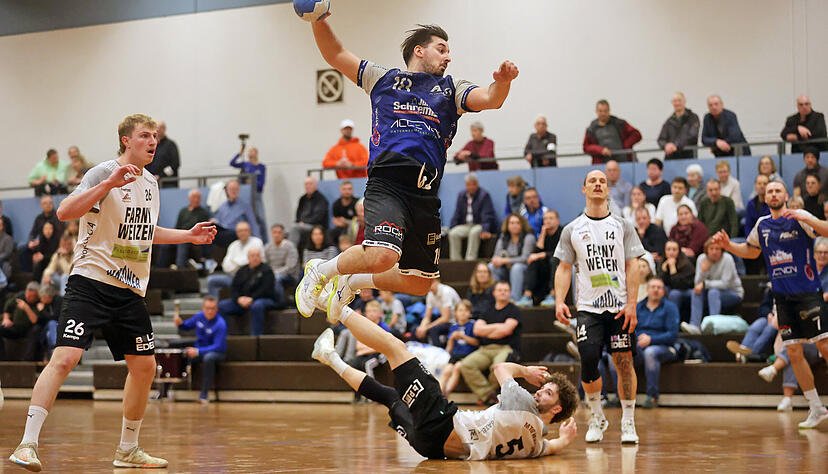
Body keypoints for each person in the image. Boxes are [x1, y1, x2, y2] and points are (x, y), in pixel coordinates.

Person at [8, 114, 216, 471]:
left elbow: (143, 231)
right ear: (125, 141)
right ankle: (26, 444)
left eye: (155, 136)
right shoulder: (101, 173)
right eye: (144, 136)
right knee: (66, 358)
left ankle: (128, 449)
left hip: (129, 289)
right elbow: (64, 212)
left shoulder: (151, 182)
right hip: (90, 281)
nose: (152, 142)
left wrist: (187, 236)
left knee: (145, 367)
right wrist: (108, 185)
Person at [297, 20, 519, 324]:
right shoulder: (383, 79)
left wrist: (503, 82)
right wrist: (318, 19)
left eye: (448, 52)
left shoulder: (451, 88)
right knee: (383, 255)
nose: (448, 57)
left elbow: (492, 98)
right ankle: (320, 271)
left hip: (425, 194)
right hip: (388, 182)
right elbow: (335, 54)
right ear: (419, 50)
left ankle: (352, 282)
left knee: (420, 282)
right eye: (441, 49)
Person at [310, 309, 577, 460]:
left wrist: (525, 371)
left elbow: (500, 368)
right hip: (431, 448)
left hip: (442, 423)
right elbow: (550, 447)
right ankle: (329, 357)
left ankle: (338, 308)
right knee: (391, 398)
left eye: (549, 392)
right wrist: (564, 441)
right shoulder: (534, 444)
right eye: (545, 386)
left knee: (396, 348)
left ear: (555, 409)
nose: (540, 390)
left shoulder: (523, 402)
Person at [711, 179, 828, 429]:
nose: (773, 194)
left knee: (825, 346)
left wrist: (809, 219)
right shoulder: (761, 224)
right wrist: (728, 245)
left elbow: (825, 232)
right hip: (783, 299)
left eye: (778, 190)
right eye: (770, 191)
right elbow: (752, 252)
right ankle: (816, 407)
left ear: (785, 194)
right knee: (794, 353)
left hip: (808, 292)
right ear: (764, 197)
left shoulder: (799, 217)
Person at [554, 168, 645, 444]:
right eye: (592, 181)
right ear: (584, 189)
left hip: (619, 307)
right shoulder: (572, 229)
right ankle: (597, 416)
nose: (597, 184)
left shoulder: (623, 226)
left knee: (624, 362)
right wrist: (559, 300)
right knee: (589, 360)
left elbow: (634, 266)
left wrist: (632, 303)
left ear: (607, 190)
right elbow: (564, 268)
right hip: (588, 308)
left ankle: (628, 422)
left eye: (602, 181)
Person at [608, 277, 679, 408]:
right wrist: (636, 339)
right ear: (647, 290)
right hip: (639, 346)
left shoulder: (670, 308)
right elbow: (629, 328)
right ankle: (620, 397)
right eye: (653, 287)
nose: (656, 290)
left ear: (663, 291)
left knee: (650, 353)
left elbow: (673, 335)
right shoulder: (638, 307)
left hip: (665, 347)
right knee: (618, 354)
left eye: (659, 288)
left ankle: (652, 397)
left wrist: (651, 339)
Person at [460, 281, 521, 404]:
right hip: (485, 349)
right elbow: (477, 330)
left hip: (504, 347)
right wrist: (498, 327)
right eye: (500, 290)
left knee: (498, 367)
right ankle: (488, 394)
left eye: (506, 290)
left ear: (509, 293)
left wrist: (487, 329)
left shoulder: (514, 310)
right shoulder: (487, 310)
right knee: (466, 365)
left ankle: (488, 395)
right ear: (494, 293)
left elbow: (506, 330)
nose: (503, 292)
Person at [173, 296, 227, 403]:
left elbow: (218, 346)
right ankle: (166, 390)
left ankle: (204, 394)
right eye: (207, 308)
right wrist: (180, 323)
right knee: (179, 353)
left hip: (217, 353)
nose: (210, 311)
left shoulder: (220, 324)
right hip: (200, 349)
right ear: (203, 308)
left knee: (209, 358)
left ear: (216, 309)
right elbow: (186, 327)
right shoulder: (199, 316)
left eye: (212, 308)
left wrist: (198, 351)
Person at [683, 238, 743, 334]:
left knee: (713, 292)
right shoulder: (701, 259)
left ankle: (713, 324)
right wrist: (703, 271)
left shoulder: (727, 259)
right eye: (711, 249)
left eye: (717, 249)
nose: (714, 252)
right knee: (696, 292)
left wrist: (705, 284)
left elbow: (725, 284)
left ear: (722, 250)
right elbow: (697, 284)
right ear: (707, 250)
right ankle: (695, 325)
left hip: (732, 293)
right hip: (710, 293)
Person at [218, 247, 277, 336]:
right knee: (221, 306)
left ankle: (256, 337)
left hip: (263, 299)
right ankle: (225, 336)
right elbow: (234, 288)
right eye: (252, 256)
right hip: (243, 300)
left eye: (257, 255)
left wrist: (252, 298)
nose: (255, 258)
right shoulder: (242, 270)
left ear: (261, 257)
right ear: (248, 258)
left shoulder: (267, 270)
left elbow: (266, 289)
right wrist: (238, 299)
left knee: (257, 306)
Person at [206, 221, 264, 297]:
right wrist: (239, 264)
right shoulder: (233, 245)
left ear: (250, 231)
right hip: (233, 277)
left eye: (245, 230)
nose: (242, 233)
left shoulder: (257, 242)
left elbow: (251, 263)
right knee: (211, 280)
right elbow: (226, 265)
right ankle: (213, 306)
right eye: (240, 231)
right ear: (236, 233)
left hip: (251, 277)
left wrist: (235, 262)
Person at [448, 173, 497, 261]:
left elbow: (487, 214)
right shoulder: (461, 195)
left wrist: (486, 230)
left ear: (477, 184)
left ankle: (470, 260)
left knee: (474, 232)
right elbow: (457, 213)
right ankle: (456, 261)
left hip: (479, 224)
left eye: (473, 184)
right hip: (466, 225)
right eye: (468, 185)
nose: (471, 187)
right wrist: (451, 227)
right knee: (453, 233)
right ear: (465, 185)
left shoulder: (484, 195)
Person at [159, 188, 211, 269]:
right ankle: (159, 268)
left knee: (183, 242)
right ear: (189, 198)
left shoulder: (203, 213)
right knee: (164, 244)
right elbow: (177, 226)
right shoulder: (183, 211)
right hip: (179, 233)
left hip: (192, 236)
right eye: (194, 197)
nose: (196, 199)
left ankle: (180, 268)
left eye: (198, 197)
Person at [491, 214, 535, 304]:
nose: (514, 225)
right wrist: (496, 260)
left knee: (517, 267)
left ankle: (514, 298)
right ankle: (497, 296)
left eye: (517, 223)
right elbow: (495, 256)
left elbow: (525, 258)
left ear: (522, 225)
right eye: (511, 223)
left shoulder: (528, 237)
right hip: (506, 270)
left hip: (525, 271)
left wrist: (505, 260)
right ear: (507, 225)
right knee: (491, 266)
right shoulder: (503, 238)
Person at [522, 210, 562, 307]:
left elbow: (560, 252)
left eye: (551, 218)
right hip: (545, 266)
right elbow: (537, 252)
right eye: (545, 219)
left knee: (554, 260)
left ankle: (553, 296)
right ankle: (527, 297)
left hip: (559, 263)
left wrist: (542, 254)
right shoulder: (544, 234)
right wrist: (543, 233)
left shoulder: (563, 232)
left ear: (558, 221)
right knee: (533, 261)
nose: (547, 221)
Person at [583, 100, 642, 164]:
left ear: (609, 111)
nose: (603, 113)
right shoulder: (591, 129)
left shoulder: (620, 123)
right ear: (596, 111)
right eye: (600, 111)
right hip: (602, 163)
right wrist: (600, 150)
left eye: (605, 111)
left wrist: (624, 146)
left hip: (624, 160)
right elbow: (586, 147)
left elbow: (636, 135)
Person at [439, 300, 478, 395]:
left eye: (465, 310)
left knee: (457, 368)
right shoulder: (453, 327)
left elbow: (476, 342)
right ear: (455, 313)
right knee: (446, 371)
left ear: (470, 313)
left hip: (468, 355)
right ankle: (439, 394)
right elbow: (449, 348)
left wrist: (463, 336)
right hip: (456, 355)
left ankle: (446, 393)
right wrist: (451, 339)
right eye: (460, 310)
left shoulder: (473, 325)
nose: (463, 313)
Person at [210, 179, 261, 247]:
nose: (233, 191)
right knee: (208, 231)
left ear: (239, 190)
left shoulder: (245, 206)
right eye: (231, 189)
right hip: (223, 232)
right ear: (227, 190)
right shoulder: (223, 206)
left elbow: (253, 223)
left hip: (235, 233)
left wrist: (257, 239)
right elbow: (218, 221)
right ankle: (206, 257)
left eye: (235, 189)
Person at [229, 145, 267, 236]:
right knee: (248, 217)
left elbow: (261, 183)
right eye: (248, 151)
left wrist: (253, 182)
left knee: (260, 218)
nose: (249, 153)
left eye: (252, 151)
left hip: (257, 194)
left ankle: (264, 239)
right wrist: (240, 153)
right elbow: (232, 163)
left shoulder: (261, 167)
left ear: (256, 153)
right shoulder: (245, 165)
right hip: (246, 194)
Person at [21, 196, 63, 273]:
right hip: (41, 243)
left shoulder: (58, 217)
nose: (48, 205)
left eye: (50, 203)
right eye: (45, 203)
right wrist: (31, 241)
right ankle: (26, 275)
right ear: (41, 206)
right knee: (23, 249)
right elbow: (33, 233)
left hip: (54, 243)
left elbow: (61, 235)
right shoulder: (39, 218)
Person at [0, 282, 41, 361]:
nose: (27, 297)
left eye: (31, 296)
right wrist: (6, 319)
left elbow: (34, 320)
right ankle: (2, 360)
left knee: (36, 330)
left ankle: (27, 361)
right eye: (27, 294)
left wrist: (26, 308)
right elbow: (7, 307)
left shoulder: (39, 303)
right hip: (15, 328)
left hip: (29, 330)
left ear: (36, 296)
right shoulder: (20, 296)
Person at [415, 278, 461, 347]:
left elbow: (445, 318)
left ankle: (439, 353)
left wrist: (427, 327)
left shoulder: (446, 292)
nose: (430, 285)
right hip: (445, 321)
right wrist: (422, 327)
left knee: (434, 329)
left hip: (455, 322)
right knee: (416, 329)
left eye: (432, 282)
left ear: (438, 281)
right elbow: (427, 317)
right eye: (428, 283)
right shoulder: (430, 294)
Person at [288, 176, 329, 249]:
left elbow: (318, 217)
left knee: (294, 228)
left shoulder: (320, 199)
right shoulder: (302, 199)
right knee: (286, 232)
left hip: (315, 225)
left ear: (315, 185)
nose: (308, 186)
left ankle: (292, 253)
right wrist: (299, 222)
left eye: (310, 184)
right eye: (306, 184)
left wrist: (304, 222)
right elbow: (298, 214)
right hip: (302, 225)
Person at [263, 224, 300, 307]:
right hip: (273, 274)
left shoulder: (289, 246)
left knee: (277, 278)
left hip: (290, 276)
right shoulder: (268, 247)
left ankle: (280, 303)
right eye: (274, 232)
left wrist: (274, 273)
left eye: (279, 232)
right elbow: (265, 264)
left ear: (283, 234)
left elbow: (291, 267)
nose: (277, 235)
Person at [659, 240, 695, 321]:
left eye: (674, 250)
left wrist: (672, 269)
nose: (671, 252)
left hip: (686, 291)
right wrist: (664, 271)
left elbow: (679, 285)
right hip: (671, 290)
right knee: (661, 290)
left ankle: (672, 321)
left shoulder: (686, 264)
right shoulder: (662, 263)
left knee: (674, 293)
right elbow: (660, 283)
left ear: (679, 251)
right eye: (668, 249)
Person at [657, 92, 700, 159]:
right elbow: (661, 139)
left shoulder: (693, 117)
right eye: (674, 101)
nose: (677, 103)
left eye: (679, 100)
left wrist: (676, 145)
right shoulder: (669, 121)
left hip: (688, 157)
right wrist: (666, 145)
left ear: (684, 101)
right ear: (672, 103)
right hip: (671, 158)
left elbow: (693, 136)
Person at [144, 121, 180, 188]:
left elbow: (175, 164)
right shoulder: (151, 145)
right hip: (151, 183)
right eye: (156, 128)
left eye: (160, 128)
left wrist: (160, 176)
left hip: (168, 184)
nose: (158, 130)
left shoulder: (171, 145)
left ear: (164, 129)